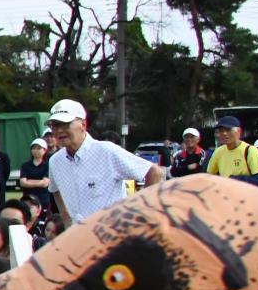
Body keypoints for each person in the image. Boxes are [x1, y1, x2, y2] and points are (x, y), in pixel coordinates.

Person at [47, 97, 164, 227]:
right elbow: (54, 189)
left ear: (83, 125)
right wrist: (67, 220)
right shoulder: (55, 161)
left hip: (113, 237)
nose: (59, 130)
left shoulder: (106, 151)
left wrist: (142, 215)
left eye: (65, 124)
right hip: (80, 239)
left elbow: (154, 173)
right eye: (55, 125)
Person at [207, 114, 258, 186]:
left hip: (246, 195)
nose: (225, 133)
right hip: (226, 195)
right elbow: (209, 177)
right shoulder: (218, 152)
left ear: (239, 131)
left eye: (228, 130)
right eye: (221, 131)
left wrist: (236, 179)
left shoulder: (250, 151)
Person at [16, 139, 54, 218]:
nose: (36, 150)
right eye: (34, 148)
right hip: (28, 199)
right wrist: (39, 182)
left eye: (39, 148)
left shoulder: (48, 165)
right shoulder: (25, 165)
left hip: (43, 199)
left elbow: (45, 183)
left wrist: (29, 181)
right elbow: (22, 182)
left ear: (44, 150)